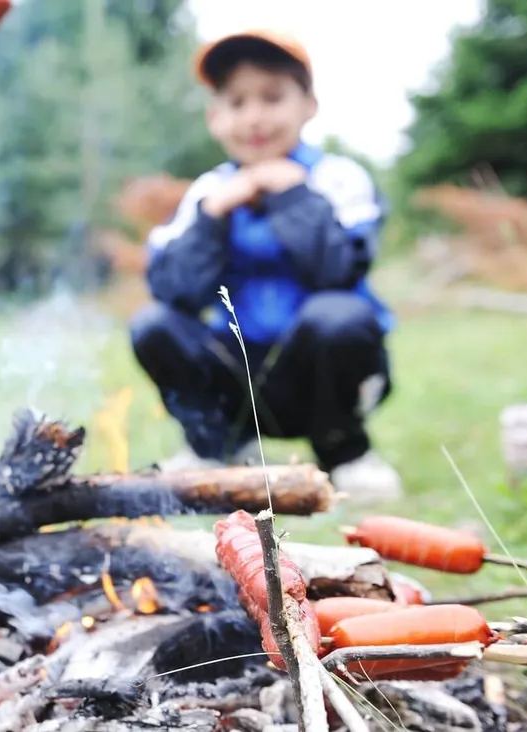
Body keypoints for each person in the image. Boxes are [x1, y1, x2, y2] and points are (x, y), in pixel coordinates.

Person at [129, 29, 403, 502]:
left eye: (272, 98)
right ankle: (213, 449)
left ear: (308, 105)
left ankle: (345, 453)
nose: (254, 117)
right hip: (235, 378)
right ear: (216, 118)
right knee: (152, 323)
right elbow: (174, 291)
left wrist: (291, 195)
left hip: (319, 373)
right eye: (237, 103)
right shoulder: (207, 193)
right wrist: (215, 216)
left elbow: (338, 271)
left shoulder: (338, 178)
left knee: (339, 316)